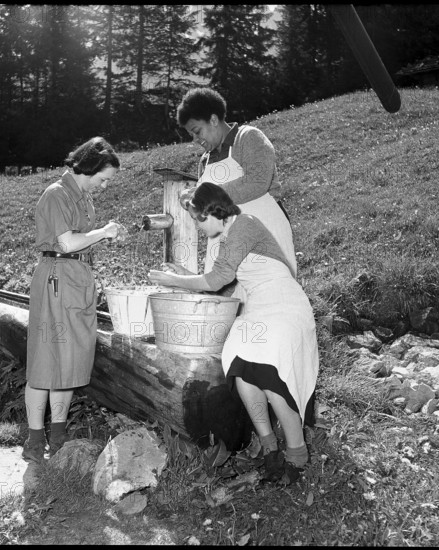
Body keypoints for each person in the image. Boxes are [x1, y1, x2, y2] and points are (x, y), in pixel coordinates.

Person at [148, 182, 319, 483]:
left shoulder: (245, 224)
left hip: (283, 305)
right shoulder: (229, 239)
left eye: (198, 219)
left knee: (270, 376)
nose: (199, 227)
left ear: (212, 211)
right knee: (240, 370)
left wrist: (172, 279)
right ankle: (270, 449)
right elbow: (221, 282)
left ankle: (297, 453)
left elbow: (217, 279)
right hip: (259, 309)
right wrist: (184, 278)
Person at [23, 136, 128, 463]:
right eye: (104, 177)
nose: (105, 184)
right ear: (92, 167)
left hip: (77, 279)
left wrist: (103, 236)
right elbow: (67, 242)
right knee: (45, 360)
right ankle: (34, 439)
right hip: (56, 279)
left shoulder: (81, 197)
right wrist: (104, 232)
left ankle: (58, 434)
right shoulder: (57, 194)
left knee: (68, 361)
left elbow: (81, 242)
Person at [176, 88, 298, 300]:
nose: (195, 139)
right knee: (229, 308)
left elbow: (257, 182)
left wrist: (206, 194)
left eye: (198, 131)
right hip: (226, 243)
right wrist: (191, 201)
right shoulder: (205, 160)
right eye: (191, 135)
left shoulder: (248, 138)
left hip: (264, 235)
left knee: (271, 302)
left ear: (213, 119)